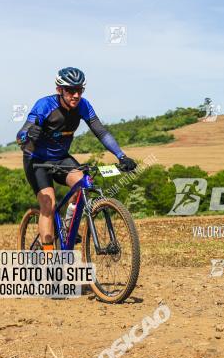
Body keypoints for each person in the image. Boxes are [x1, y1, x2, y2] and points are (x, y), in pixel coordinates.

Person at [16, 67, 136, 251]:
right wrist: (27, 135)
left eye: (80, 90)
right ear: (59, 90)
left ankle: (67, 226)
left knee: (83, 182)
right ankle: (50, 259)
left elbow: (101, 132)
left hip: (60, 158)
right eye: (71, 90)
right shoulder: (44, 106)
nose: (76, 95)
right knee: (48, 204)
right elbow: (20, 136)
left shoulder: (83, 106)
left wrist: (121, 156)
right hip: (37, 160)